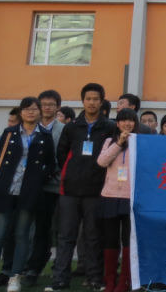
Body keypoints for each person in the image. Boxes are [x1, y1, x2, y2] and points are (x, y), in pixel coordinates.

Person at [0, 97, 57, 292]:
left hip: (28, 194)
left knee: (22, 236)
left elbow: (50, 164)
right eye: (27, 109)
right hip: (4, 191)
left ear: (39, 112)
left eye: (34, 109)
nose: (31, 112)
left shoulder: (45, 136)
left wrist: (38, 178)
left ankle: (15, 277)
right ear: (21, 112)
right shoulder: (9, 133)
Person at [50, 83, 117, 291]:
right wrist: (73, 172)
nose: (92, 103)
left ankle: (94, 277)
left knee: (93, 236)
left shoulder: (109, 127)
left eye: (96, 99)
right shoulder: (71, 127)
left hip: (96, 190)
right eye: (88, 99)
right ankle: (60, 277)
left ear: (102, 102)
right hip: (69, 190)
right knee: (66, 236)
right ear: (82, 101)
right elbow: (62, 154)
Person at [23, 90, 67, 287]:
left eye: (51, 104)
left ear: (58, 107)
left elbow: (64, 157)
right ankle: (26, 265)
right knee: (29, 228)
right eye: (43, 104)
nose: (47, 108)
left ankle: (41, 265)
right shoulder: (29, 127)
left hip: (54, 186)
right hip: (29, 186)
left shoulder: (64, 130)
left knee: (49, 228)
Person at [97, 108, 139, 292]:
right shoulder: (109, 141)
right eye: (123, 120)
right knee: (110, 239)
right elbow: (102, 162)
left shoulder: (139, 142)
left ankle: (125, 280)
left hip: (131, 197)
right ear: (117, 123)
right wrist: (119, 143)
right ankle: (110, 280)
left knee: (128, 240)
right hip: (110, 195)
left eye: (131, 120)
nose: (127, 123)